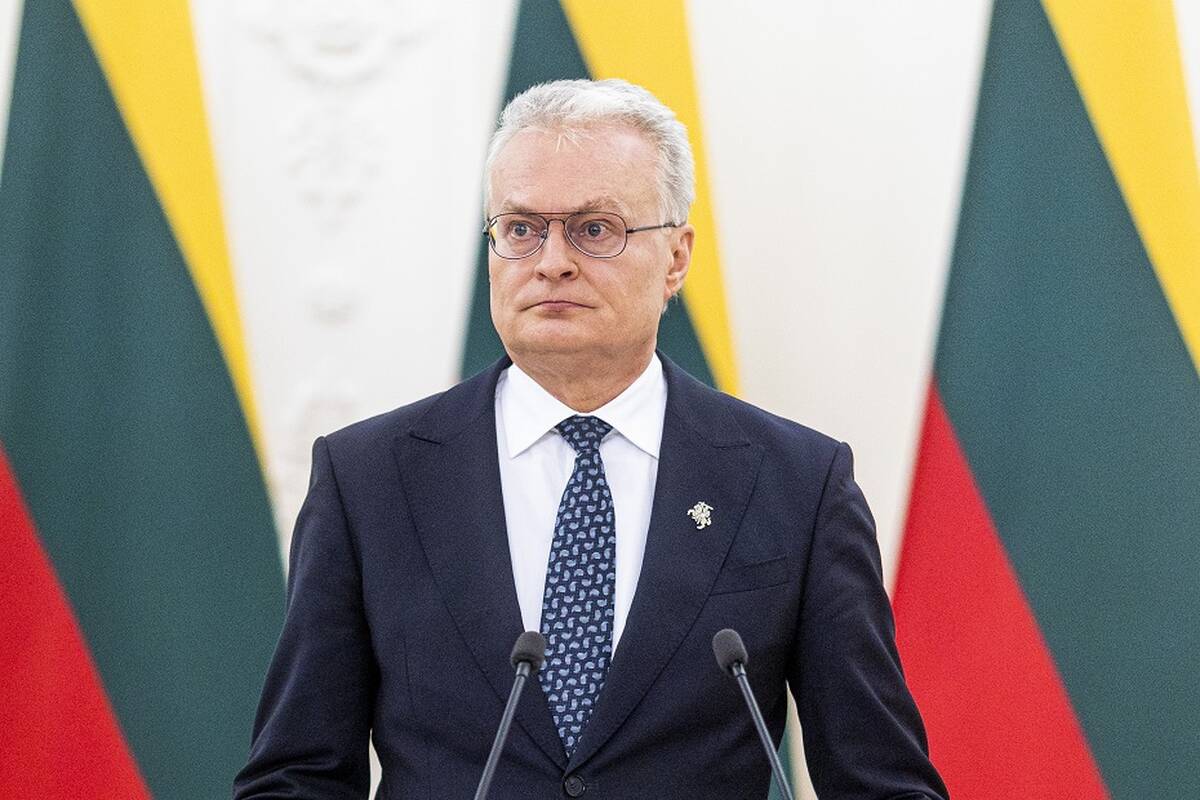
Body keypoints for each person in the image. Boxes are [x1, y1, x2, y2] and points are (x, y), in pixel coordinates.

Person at [234, 78, 948, 800]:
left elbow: (881, 782)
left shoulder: (796, 483)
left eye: (594, 229)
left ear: (676, 258)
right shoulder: (369, 480)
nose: (551, 262)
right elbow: (297, 776)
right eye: (521, 229)